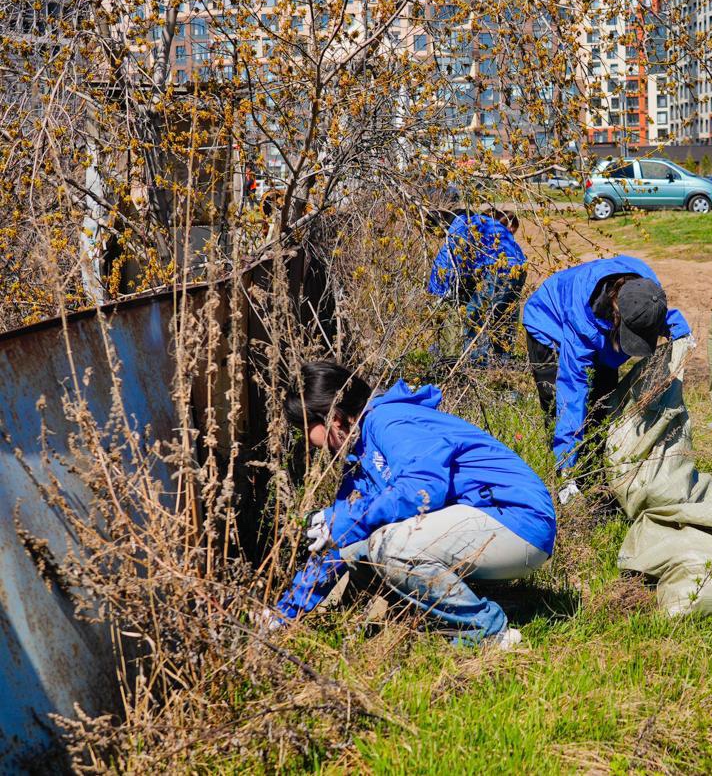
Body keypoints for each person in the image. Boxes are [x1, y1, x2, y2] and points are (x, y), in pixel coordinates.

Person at [272, 362, 556, 647]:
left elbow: (422, 490)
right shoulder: (360, 451)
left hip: (515, 520)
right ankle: (455, 613)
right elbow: (338, 538)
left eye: (306, 429)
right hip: (485, 526)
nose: (309, 442)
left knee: (389, 545)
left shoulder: (389, 421)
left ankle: (486, 631)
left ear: (333, 418)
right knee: (356, 550)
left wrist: (347, 520)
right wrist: (283, 615)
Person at [522, 256, 690, 501]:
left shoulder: (646, 290)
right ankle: (566, 478)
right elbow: (572, 394)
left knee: (604, 403)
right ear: (616, 316)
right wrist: (567, 467)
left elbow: (657, 316)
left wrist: (681, 333)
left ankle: (598, 479)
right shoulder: (582, 324)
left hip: (600, 332)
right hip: (550, 325)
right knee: (559, 406)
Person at [428, 210, 527, 364]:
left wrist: (439, 290)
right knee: (503, 315)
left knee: (473, 316)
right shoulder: (483, 222)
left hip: (499, 271)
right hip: (520, 267)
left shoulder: (459, 226)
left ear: (441, 225)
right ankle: (502, 361)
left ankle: (475, 363)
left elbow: (447, 261)